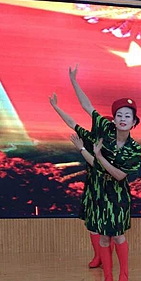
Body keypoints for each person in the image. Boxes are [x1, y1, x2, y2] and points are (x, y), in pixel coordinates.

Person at [66, 65, 141, 281]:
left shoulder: (135, 149)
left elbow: (119, 175)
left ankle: (123, 275)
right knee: (102, 237)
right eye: (119, 115)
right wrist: (74, 81)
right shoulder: (105, 131)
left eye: (127, 116)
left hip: (118, 196)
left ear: (134, 122)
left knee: (118, 236)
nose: (122, 118)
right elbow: (87, 106)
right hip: (99, 193)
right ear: (114, 120)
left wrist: (99, 156)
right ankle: (108, 277)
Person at [49, 95, 115, 269]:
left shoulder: (116, 148)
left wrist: (82, 149)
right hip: (92, 188)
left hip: (109, 190)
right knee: (92, 225)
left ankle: (107, 258)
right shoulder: (91, 139)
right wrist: (56, 107)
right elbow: (72, 123)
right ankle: (98, 256)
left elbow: (99, 164)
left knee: (108, 227)